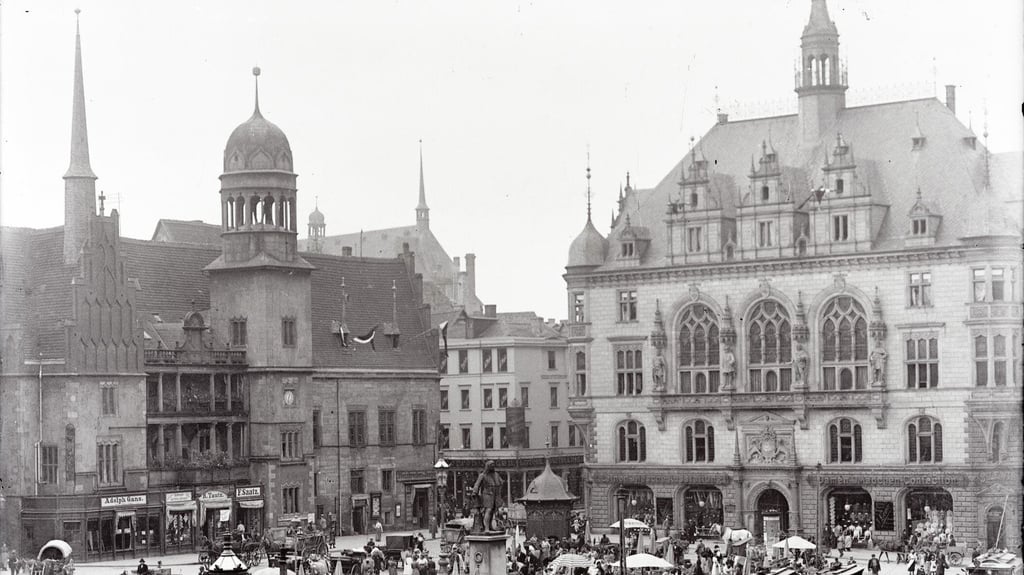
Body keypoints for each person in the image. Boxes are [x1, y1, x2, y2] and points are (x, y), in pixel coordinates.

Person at [471, 460, 505, 532]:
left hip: (495, 495)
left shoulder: (496, 475)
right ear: (488, 467)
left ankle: (490, 526)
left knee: (492, 511)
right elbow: (477, 484)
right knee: (488, 510)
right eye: (491, 465)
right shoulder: (482, 475)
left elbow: (501, 482)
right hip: (487, 494)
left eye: (493, 465)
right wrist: (474, 492)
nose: (493, 467)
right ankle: (486, 528)